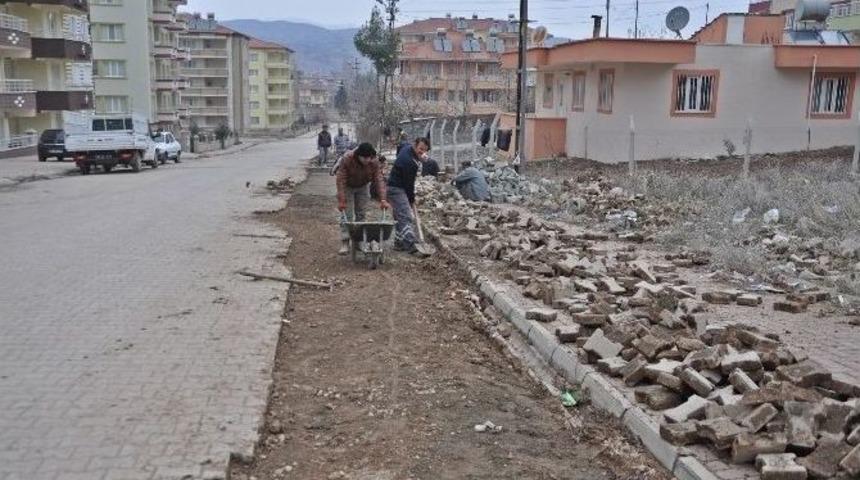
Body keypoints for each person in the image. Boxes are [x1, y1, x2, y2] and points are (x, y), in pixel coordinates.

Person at [336, 143, 390, 255]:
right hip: (348, 186)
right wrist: (341, 200)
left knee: (361, 213)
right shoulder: (347, 159)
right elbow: (341, 180)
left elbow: (379, 179)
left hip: (363, 186)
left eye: (369, 157)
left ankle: (359, 241)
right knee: (347, 214)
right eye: (365, 158)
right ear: (358, 155)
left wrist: (383, 199)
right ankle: (345, 241)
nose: (367, 160)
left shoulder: (374, 161)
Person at [387, 137, 430, 254]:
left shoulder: (407, 148)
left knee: (399, 215)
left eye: (425, 151)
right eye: (420, 149)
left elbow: (402, 145)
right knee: (406, 215)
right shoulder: (410, 163)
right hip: (397, 188)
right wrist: (411, 200)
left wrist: (420, 158)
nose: (422, 152)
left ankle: (399, 242)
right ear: (415, 145)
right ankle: (410, 244)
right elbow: (408, 185)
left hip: (394, 185)